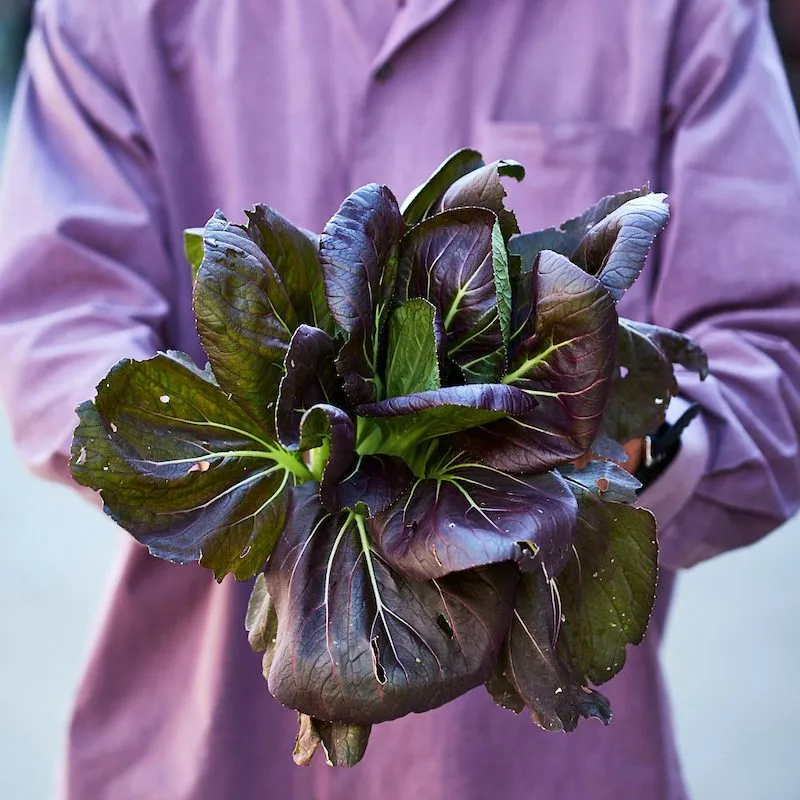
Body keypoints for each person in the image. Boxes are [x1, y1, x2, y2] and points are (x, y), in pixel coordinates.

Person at [0, 1, 798, 798]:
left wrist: (608, 449)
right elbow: (56, 325)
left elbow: (771, 354)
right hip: (201, 753)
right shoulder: (109, 16)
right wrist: (264, 456)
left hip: (535, 772)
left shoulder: (685, 16)